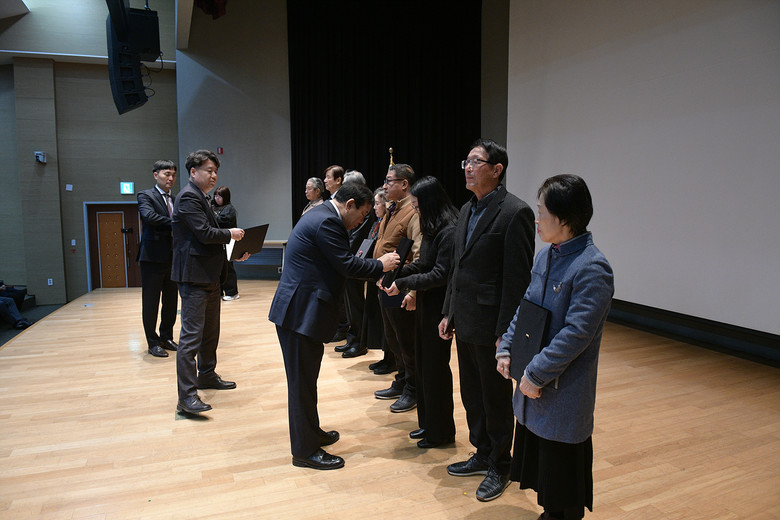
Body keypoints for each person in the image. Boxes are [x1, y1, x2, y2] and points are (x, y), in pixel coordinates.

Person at [496, 175, 614, 520]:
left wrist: (534, 373)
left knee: (563, 480)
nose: (537, 220)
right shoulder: (547, 255)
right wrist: (508, 348)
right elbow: (526, 309)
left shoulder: (592, 267)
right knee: (545, 474)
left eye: (541, 212)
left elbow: (576, 335)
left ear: (564, 218)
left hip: (562, 389)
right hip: (534, 386)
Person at [268, 182, 400, 470]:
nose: (361, 222)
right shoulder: (328, 221)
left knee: (306, 381)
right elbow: (347, 265)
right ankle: (305, 451)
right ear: (350, 204)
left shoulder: (320, 215)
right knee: (301, 384)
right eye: (362, 215)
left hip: (301, 311)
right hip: (299, 314)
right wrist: (381, 264)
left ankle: (310, 433)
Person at [439, 139, 535, 502]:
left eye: (475, 162)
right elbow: (457, 267)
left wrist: (506, 334)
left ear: (497, 170)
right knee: (472, 394)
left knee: (495, 399)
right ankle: (481, 452)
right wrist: (448, 311)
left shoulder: (515, 212)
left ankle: (500, 464)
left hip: (493, 326)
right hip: (465, 320)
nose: (467, 167)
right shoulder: (467, 209)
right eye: (466, 161)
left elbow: (517, 281)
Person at [383, 176, 458, 448]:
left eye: (417, 206)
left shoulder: (449, 230)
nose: (415, 210)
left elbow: (439, 274)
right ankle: (428, 425)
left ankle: (441, 433)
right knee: (424, 368)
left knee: (435, 372)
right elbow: (423, 264)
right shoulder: (432, 226)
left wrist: (404, 283)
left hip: (439, 309)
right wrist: (396, 274)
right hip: (426, 306)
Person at [171, 149, 247, 416]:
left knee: (210, 333)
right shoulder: (188, 197)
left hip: (210, 275)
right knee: (191, 338)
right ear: (193, 172)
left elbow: (207, 240)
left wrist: (236, 252)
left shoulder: (201, 197)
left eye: (216, 171)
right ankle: (186, 397)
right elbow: (204, 234)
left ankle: (206, 374)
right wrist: (231, 234)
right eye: (209, 170)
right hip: (194, 276)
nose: (214, 176)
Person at [373, 163, 422, 413]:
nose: (384, 186)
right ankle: (402, 380)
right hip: (385, 284)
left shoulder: (413, 212)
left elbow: (419, 255)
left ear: (404, 184)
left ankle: (413, 388)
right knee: (393, 338)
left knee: (405, 341)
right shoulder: (391, 209)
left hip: (400, 287)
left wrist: (412, 292)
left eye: (389, 181)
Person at [137, 160, 179, 358]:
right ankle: (152, 342)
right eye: (166, 174)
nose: (170, 178)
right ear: (156, 175)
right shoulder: (145, 195)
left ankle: (166, 337)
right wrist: (177, 222)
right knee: (151, 302)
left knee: (171, 301)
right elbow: (149, 217)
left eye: (173, 175)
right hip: (152, 258)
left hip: (173, 257)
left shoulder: (176, 199)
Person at [336, 170, 377, 358]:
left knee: (356, 304)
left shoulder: (364, 208)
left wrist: (343, 254)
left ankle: (359, 341)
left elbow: (356, 237)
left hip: (357, 260)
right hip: (349, 260)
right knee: (349, 304)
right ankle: (352, 338)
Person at [365, 188, 392, 374]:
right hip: (377, 274)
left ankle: (392, 360)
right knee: (383, 322)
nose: (374, 207)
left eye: (377, 203)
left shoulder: (389, 221)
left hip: (388, 275)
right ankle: (386, 357)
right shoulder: (378, 223)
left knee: (389, 323)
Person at [211, 185, 240, 301]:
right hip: (218, 242)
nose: (216, 198)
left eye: (219, 196)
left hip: (228, 242)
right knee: (219, 268)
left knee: (228, 268)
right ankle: (220, 291)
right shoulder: (213, 207)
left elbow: (220, 221)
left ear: (225, 197)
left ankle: (232, 292)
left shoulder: (229, 209)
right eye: (215, 195)